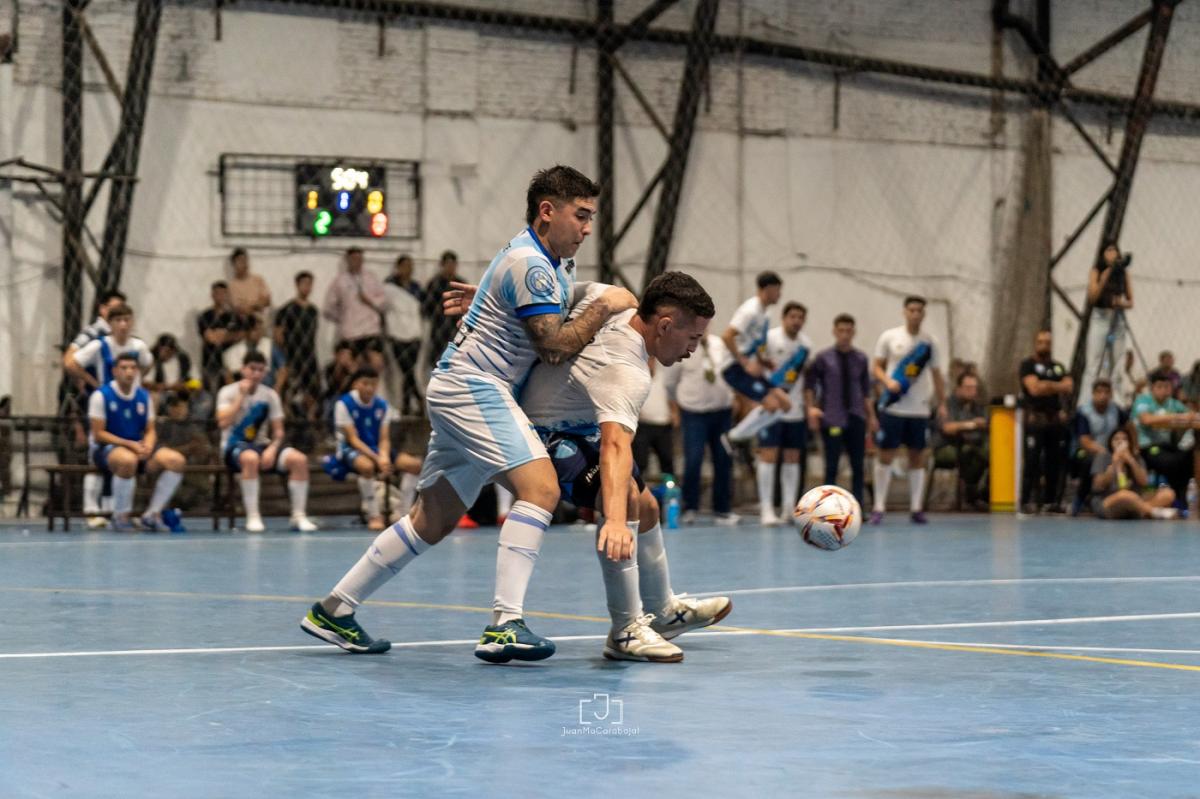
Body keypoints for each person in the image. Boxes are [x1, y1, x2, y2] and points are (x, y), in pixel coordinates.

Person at [301, 165, 636, 659]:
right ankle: (505, 625)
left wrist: (490, 298)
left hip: (460, 387)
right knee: (541, 489)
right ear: (547, 211)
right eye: (581, 215)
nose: (588, 228)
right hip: (475, 387)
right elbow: (554, 348)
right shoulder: (532, 263)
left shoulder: (550, 261)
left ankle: (334, 609)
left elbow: (541, 306)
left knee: (431, 519)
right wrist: (605, 306)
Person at [521, 272, 730, 661]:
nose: (693, 349)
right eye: (692, 338)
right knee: (624, 499)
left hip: (579, 425)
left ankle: (662, 613)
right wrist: (615, 521)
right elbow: (615, 446)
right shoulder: (627, 370)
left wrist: (495, 305)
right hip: (545, 433)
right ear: (664, 326)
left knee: (648, 507)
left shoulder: (615, 301)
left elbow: (552, 295)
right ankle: (624, 631)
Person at [216, 350, 318, 533]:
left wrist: (272, 448)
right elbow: (222, 422)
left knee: (299, 460)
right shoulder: (227, 392)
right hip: (234, 446)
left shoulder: (270, 395)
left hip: (262, 445)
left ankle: (298, 516)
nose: (256, 374)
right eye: (252, 369)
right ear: (243, 369)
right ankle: (253, 516)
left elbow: (278, 431)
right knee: (250, 458)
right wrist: (241, 397)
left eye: (260, 370)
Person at [87, 354, 187, 532]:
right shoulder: (101, 395)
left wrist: (148, 446)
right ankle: (120, 516)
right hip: (107, 449)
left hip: (136, 446)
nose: (129, 372)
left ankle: (152, 514)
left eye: (133, 368)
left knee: (176, 460)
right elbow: (98, 433)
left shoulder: (143, 396)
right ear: (114, 371)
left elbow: (150, 429)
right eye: (124, 368)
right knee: (127, 460)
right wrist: (128, 444)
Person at [871, 295, 947, 524]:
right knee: (886, 454)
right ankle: (879, 507)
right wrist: (888, 382)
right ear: (904, 312)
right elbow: (876, 367)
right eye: (911, 310)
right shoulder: (889, 337)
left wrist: (942, 403)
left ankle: (916, 508)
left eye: (919, 311)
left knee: (917, 456)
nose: (915, 314)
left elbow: (936, 374)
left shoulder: (930, 342)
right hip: (894, 407)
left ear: (923, 314)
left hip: (919, 409)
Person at [62, 288, 127, 527]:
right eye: (114, 309)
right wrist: (91, 382)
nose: (118, 315)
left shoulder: (121, 337)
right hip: (97, 402)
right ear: (102, 309)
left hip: (119, 404)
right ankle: (91, 509)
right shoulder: (93, 333)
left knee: (116, 452)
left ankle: (109, 508)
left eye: (122, 311)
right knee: (97, 452)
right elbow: (69, 360)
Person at [326, 367, 421, 531]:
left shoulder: (382, 405)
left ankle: (402, 514)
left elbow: (384, 438)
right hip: (351, 450)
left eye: (373, 384)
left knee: (414, 465)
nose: (369, 388)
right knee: (367, 467)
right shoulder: (344, 404)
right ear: (356, 384)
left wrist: (383, 456)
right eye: (365, 383)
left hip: (376, 449)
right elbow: (353, 440)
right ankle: (374, 515)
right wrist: (378, 459)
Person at [663, 333, 738, 525]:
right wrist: (678, 405)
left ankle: (722, 509)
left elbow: (731, 371)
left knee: (723, 459)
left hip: (722, 413)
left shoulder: (719, 343)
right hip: (694, 413)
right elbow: (670, 382)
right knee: (693, 459)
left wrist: (733, 397)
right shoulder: (682, 345)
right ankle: (690, 507)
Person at [805, 314, 876, 507]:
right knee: (832, 465)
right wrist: (811, 409)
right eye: (841, 330)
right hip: (832, 418)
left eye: (848, 331)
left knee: (858, 465)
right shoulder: (823, 358)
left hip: (856, 417)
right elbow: (810, 385)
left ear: (853, 332)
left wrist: (871, 416)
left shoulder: (861, 358)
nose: (845, 335)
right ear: (834, 332)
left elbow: (866, 391)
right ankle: (827, 507)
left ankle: (858, 506)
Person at [754, 301, 813, 526]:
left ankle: (789, 508)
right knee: (768, 455)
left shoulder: (806, 345)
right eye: (792, 317)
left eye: (800, 317)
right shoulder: (770, 339)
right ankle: (767, 508)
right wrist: (766, 397)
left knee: (792, 457)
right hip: (771, 408)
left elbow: (806, 380)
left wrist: (808, 408)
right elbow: (758, 372)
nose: (796, 321)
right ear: (784, 318)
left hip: (795, 410)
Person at [722, 271, 793, 444]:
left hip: (749, 364)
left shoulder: (765, 313)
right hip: (734, 367)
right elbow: (727, 336)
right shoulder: (750, 311)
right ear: (768, 289)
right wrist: (743, 361)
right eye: (778, 290)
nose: (780, 294)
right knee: (772, 404)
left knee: (786, 404)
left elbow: (757, 342)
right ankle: (732, 438)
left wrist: (763, 360)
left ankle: (737, 437)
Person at [1019, 329, 1073, 514]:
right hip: (1035, 420)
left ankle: (1051, 502)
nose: (1044, 345)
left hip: (1054, 421)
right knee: (1032, 461)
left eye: (1048, 342)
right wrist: (1056, 386)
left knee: (1054, 461)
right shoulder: (1028, 365)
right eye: (1041, 341)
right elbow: (1034, 389)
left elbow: (1068, 386)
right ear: (1035, 343)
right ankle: (1026, 501)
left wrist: (1046, 385)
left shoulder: (1058, 367)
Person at [1131, 370, 1198, 515]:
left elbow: (1190, 415)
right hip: (1147, 447)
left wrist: (1188, 413)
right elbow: (1146, 419)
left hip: (1167, 447)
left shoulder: (1172, 402)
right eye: (1160, 386)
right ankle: (1175, 500)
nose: (1164, 390)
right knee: (1172, 462)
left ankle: (1182, 501)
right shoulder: (1143, 400)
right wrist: (1175, 416)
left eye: (1167, 387)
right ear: (1152, 388)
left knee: (1189, 459)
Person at [322, 247, 389, 374]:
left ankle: (372, 384)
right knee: (347, 363)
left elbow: (384, 301)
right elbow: (328, 307)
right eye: (353, 259)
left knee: (377, 363)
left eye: (359, 258)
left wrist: (369, 300)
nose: (356, 262)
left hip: (370, 329)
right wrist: (342, 317)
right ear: (347, 260)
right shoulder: (340, 281)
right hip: (350, 331)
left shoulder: (371, 278)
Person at [1081, 240, 1133, 401]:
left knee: (1117, 363)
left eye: (1114, 250)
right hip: (1101, 317)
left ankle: (1116, 400)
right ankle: (1088, 399)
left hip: (1117, 318)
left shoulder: (1123, 273)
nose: (1112, 254)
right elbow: (1092, 297)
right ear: (1103, 254)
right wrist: (1105, 277)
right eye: (1108, 250)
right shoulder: (1097, 271)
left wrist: (1120, 303)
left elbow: (1130, 301)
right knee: (1095, 362)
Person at [1090, 428, 1177, 520]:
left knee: (1168, 493)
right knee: (1125, 495)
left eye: (1124, 439)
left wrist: (1131, 460)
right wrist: (1114, 464)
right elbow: (1098, 485)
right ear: (1110, 442)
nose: (1120, 442)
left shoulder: (1136, 458)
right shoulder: (1103, 457)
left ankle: (1142, 510)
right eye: (1116, 439)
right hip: (1108, 500)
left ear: (1129, 442)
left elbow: (1144, 482)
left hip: (1134, 498)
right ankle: (1154, 512)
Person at [1070, 378, 1128, 515]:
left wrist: (1132, 449)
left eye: (1107, 392)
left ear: (1111, 394)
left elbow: (1129, 428)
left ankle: (1125, 497)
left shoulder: (1116, 410)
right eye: (1100, 392)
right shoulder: (1084, 412)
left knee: (1128, 461)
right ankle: (1081, 498)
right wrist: (1105, 453)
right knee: (1090, 462)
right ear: (1093, 394)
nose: (1103, 396)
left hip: (1112, 452)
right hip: (1087, 451)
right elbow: (1085, 441)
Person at [932, 372, 989, 510]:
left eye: (974, 387)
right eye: (968, 387)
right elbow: (947, 428)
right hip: (946, 447)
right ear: (958, 388)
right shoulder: (947, 405)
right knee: (970, 454)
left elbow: (987, 424)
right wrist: (972, 424)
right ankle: (971, 496)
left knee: (993, 454)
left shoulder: (978, 407)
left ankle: (983, 495)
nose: (972, 391)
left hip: (972, 446)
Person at [66, 304, 154, 390]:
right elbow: (71, 364)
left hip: (133, 396)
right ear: (110, 323)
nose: (123, 324)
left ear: (132, 322)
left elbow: (148, 363)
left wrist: (138, 379)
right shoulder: (99, 345)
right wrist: (95, 384)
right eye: (118, 320)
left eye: (127, 320)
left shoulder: (139, 346)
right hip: (107, 396)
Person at [382, 254, 426, 415]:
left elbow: (423, 308)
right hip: (396, 333)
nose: (409, 269)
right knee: (406, 370)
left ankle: (407, 405)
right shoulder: (389, 286)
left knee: (409, 370)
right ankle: (418, 399)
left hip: (414, 333)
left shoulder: (416, 287)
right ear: (398, 267)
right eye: (405, 266)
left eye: (411, 266)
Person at [274, 271, 321, 419]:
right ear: (297, 285)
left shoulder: (313, 311)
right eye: (304, 283)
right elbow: (278, 336)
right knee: (289, 393)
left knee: (313, 392)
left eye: (310, 284)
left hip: (310, 356)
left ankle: (311, 422)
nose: (307, 287)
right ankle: (289, 423)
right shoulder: (286, 309)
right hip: (292, 356)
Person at [631, 359, 677, 480]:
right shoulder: (635, 377)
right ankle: (637, 487)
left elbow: (671, 397)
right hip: (643, 425)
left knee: (667, 460)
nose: (650, 363)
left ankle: (670, 488)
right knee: (640, 461)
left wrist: (675, 413)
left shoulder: (664, 375)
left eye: (651, 360)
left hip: (664, 425)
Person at [422, 250, 463, 372]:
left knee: (456, 360)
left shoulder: (460, 283)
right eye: (448, 264)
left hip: (456, 327)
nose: (450, 267)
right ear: (442, 265)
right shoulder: (434, 284)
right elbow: (426, 307)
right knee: (436, 360)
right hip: (438, 326)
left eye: (453, 264)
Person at [197, 281, 240, 391]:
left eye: (223, 293)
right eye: (217, 293)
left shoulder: (233, 316)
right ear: (212, 295)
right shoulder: (205, 316)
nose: (220, 296)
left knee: (231, 391)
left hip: (230, 361)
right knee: (212, 391)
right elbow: (210, 338)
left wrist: (220, 334)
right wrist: (225, 334)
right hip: (210, 360)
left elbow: (238, 336)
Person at [223, 314, 285, 390]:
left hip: (268, 387)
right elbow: (229, 376)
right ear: (247, 332)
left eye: (260, 329)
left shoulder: (269, 345)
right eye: (255, 330)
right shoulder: (232, 352)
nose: (259, 333)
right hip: (243, 389)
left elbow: (283, 369)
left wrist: (276, 389)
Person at [144, 334, 193, 409]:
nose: (163, 353)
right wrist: (167, 386)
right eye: (162, 350)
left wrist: (184, 386)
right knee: (154, 396)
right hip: (161, 394)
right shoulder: (152, 359)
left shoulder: (182, 359)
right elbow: (146, 384)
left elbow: (189, 378)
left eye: (167, 351)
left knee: (203, 396)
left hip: (180, 393)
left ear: (173, 351)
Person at [227, 247, 271, 322]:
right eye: (240, 261)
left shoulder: (258, 279)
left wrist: (249, 306)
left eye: (245, 260)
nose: (244, 264)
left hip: (261, 320)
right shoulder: (231, 286)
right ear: (233, 264)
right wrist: (257, 305)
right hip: (243, 321)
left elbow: (267, 300)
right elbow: (240, 309)